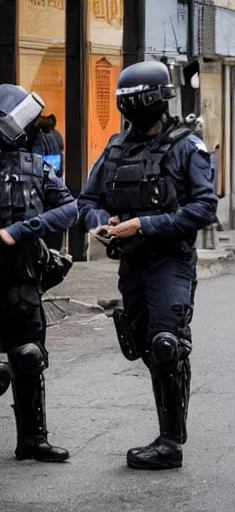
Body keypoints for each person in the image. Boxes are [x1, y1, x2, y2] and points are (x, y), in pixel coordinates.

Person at [78, 61, 218, 470]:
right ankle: (173, 399)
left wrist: (147, 223)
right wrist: (101, 225)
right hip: (132, 263)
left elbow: (205, 207)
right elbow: (88, 201)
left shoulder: (186, 147)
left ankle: (170, 442)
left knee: (164, 343)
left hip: (171, 261)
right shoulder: (116, 148)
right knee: (142, 346)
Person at [0, 84, 78, 462]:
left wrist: (21, 231)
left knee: (29, 356)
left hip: (24, 278)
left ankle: (32, 439)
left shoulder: (35, 167)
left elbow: (69, 210)